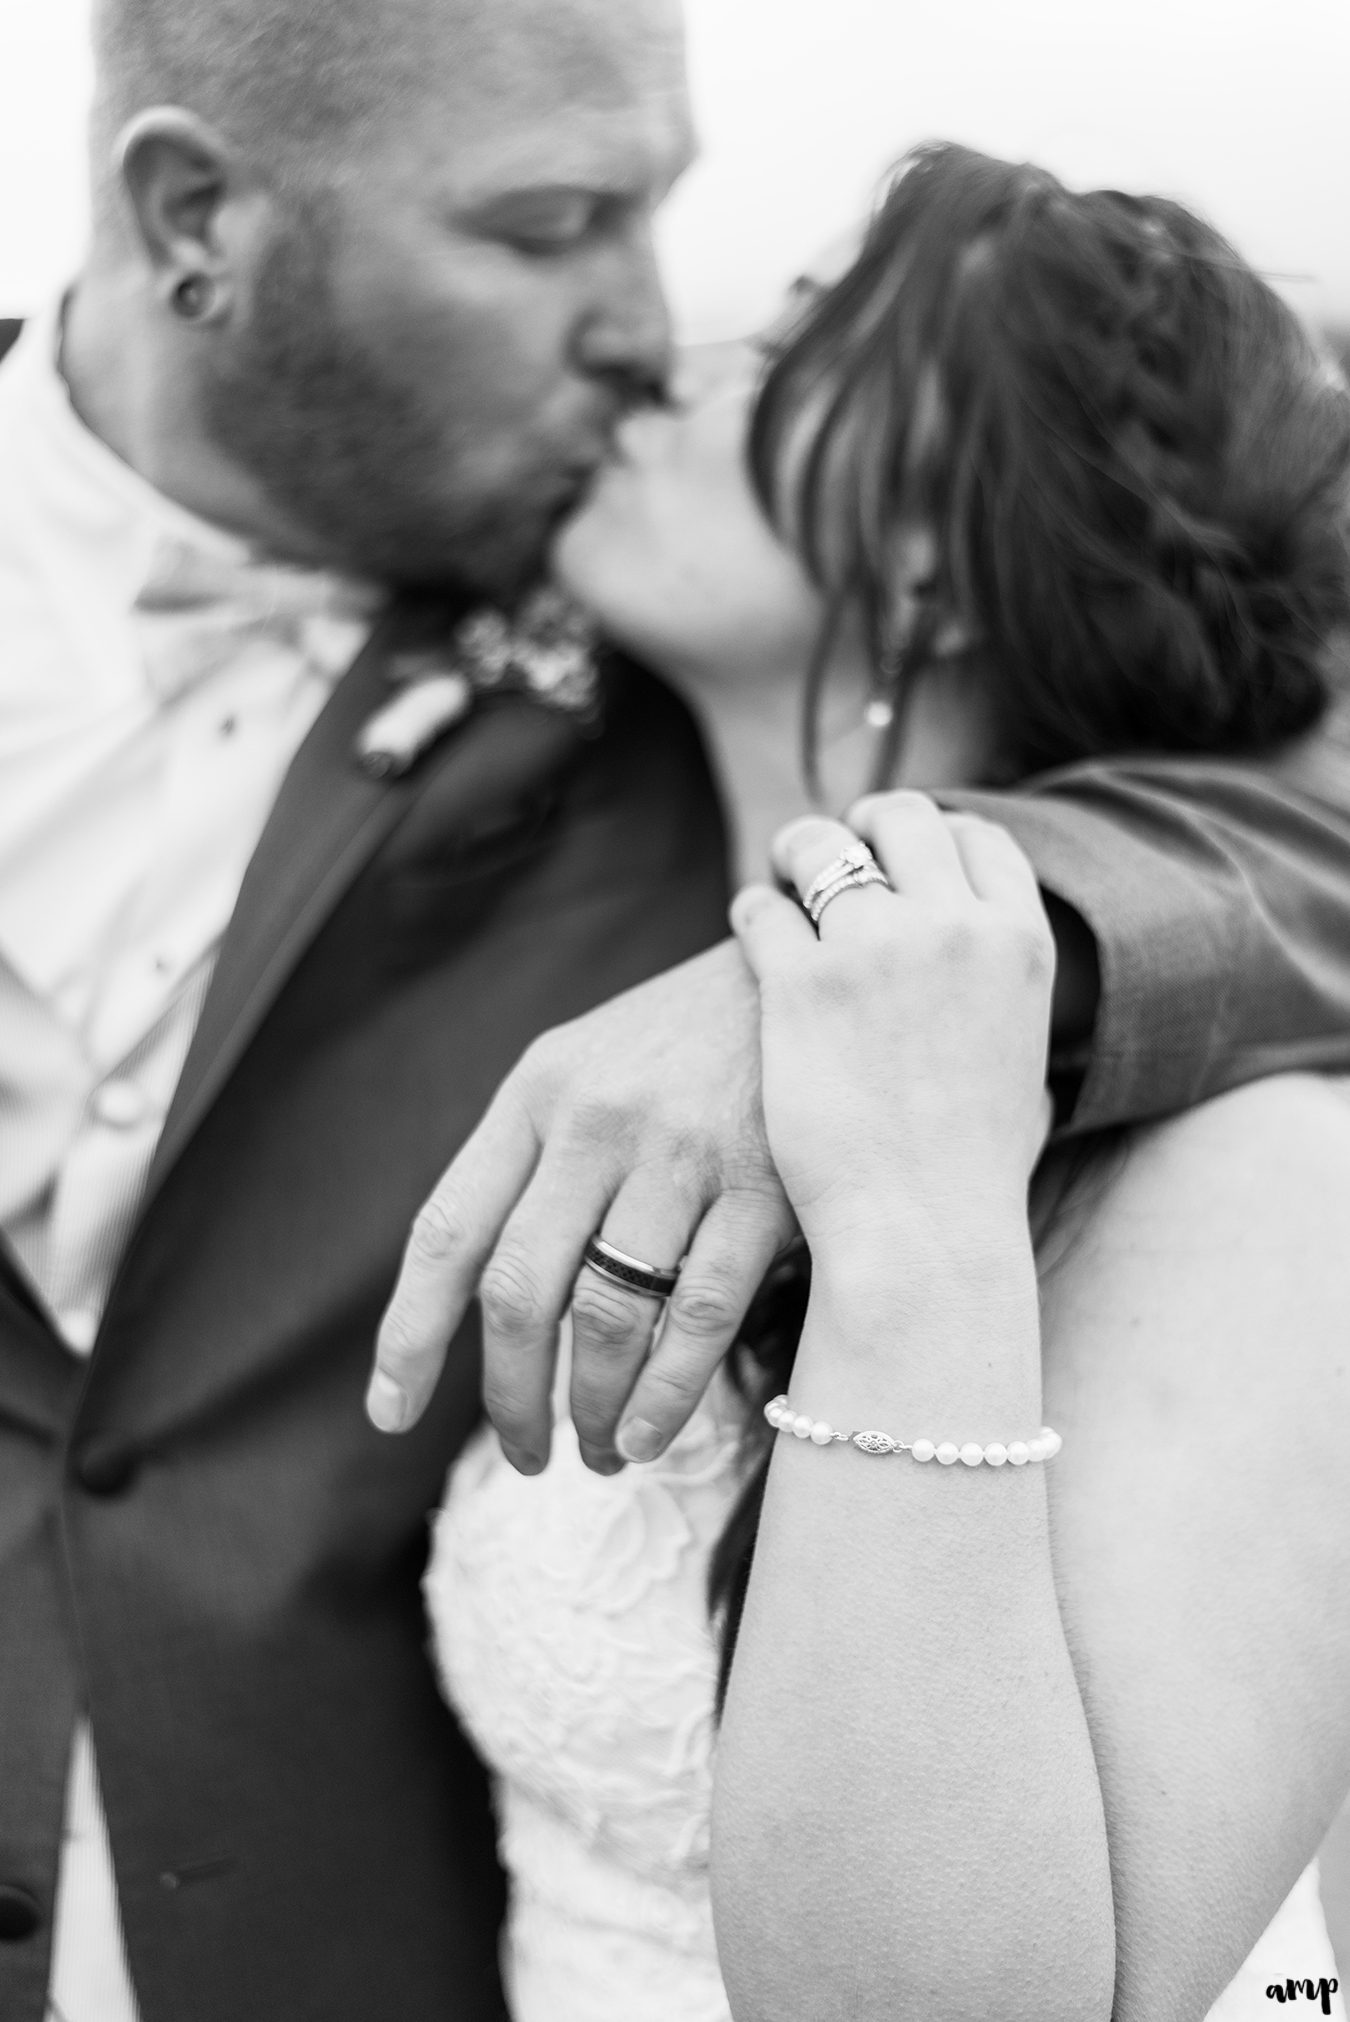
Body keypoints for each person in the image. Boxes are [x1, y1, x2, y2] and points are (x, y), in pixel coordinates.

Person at [418, 146, 1350, 2019]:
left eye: (783, 347)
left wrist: (912, 1208)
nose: (657, 364)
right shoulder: (565, 880)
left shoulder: (1253, 1169)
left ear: (922, 544)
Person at [0, 2, 727, 2019]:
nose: (646, 330)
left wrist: (810, 980)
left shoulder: (697, 605)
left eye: (656, 212)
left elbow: (1259, 844)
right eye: (551, 223)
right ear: (195, 218)